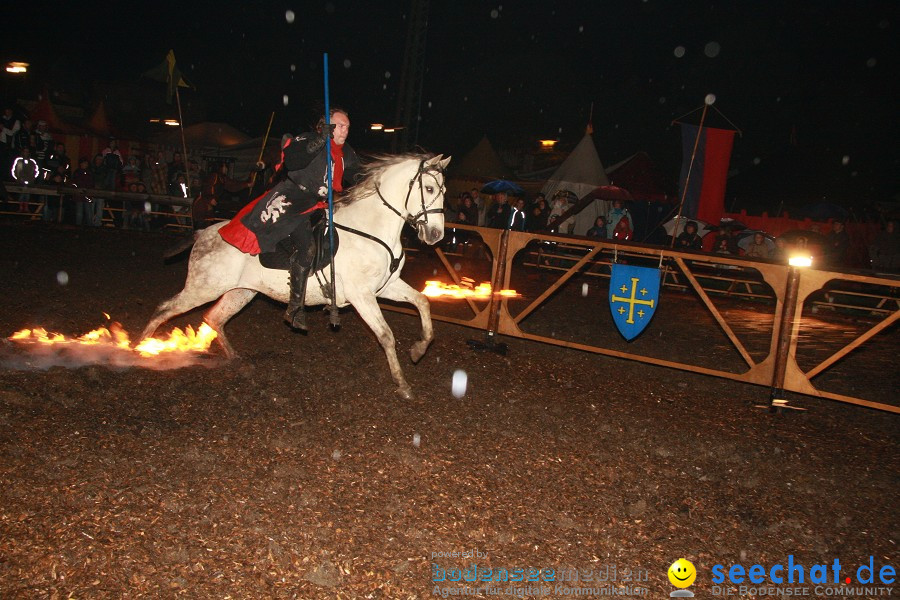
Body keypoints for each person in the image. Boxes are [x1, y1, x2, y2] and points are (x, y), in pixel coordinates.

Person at [219, 107, 361, 330]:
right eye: (339, 126)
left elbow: (357, 175)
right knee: (308, 248)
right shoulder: (309, 139)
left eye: (347, 127)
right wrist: (320, 140)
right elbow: (293, 161)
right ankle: (295, 308)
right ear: (327, 125)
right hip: (294, 199)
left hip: (320, 204)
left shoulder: (347, 153)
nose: (344, 131)